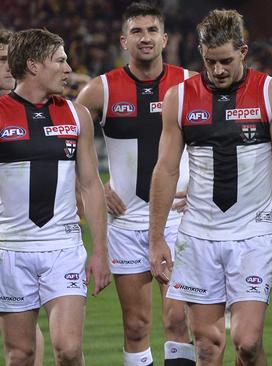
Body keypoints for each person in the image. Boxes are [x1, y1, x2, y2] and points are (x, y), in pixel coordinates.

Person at [148, 9, 272, 365]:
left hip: (253, 235)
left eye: (225, 61)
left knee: (248, 343)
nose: (217, 70)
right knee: (206, 346)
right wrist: (156, 236)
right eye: (209, 62)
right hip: (199, 235)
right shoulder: (179, 98)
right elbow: (167, 169)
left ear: (243, 51)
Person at [76, 3, 196, 365]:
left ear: (165, 38)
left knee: (177, 319)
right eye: (137, 32)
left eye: (152, 31)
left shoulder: (191, 83)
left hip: (178, 219)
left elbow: (221, 142)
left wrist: (201, 188)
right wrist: (94, 189)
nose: (145, 38)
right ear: (124, 40)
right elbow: (64, 143)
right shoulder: (101, 90)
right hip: (126, 222)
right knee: (136, 325)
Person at [0, 28, 111, 365]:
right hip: (10, 249)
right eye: (60, 60)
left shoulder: (77, 115)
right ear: (33, 65)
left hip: (63, 248)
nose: (68, 68)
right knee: (20, 354)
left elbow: (91, 185)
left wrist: (101, 252)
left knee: (68, 349)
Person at [0, 27, 45, 366]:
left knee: (25, 333)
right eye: (0, 60)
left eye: (7, 59)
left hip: (16, 239)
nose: (6, 67)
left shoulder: (26, 111)